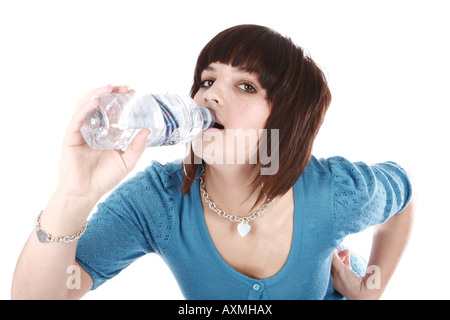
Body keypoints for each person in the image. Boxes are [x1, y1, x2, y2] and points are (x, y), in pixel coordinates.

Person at [11, 24, 413, 300]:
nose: (209, 97)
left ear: (286, 120)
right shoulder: (157, 201)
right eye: (207, 80)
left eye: (246, 85)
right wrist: (72, 196)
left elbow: (403, 198)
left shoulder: (336, 192)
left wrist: (372, 286)